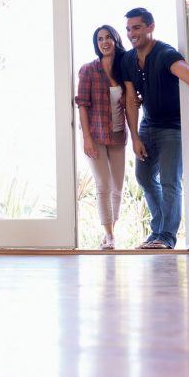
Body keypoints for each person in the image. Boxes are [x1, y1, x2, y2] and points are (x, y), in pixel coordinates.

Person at [121, 7, 189, 249]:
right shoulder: (128, 60)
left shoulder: (165, 53)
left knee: (170, 181)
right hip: (148, 125)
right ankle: (158, 230)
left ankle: (166, 237)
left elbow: (184, 69)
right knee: (144, 177)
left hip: (173, 128)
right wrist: (135, 137)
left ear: (150, 27)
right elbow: (130, 99)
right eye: (128, 29)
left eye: (136, 27)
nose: (131, 33)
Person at [76, 25, 129, 250]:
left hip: (117, 134)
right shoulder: (88, 70)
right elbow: (82, 105)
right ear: (96, 44)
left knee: (117, 186)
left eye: (108, 38)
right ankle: (109, 235)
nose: (104, 42)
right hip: (95, 134)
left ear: (116, 40)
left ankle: (111, 231)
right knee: (103, 185)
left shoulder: (124, 70)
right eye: (100, 39)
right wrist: (87, 138)